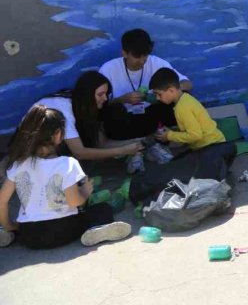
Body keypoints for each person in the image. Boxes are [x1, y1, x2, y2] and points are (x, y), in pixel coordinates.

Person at [0, 105, 132, 249]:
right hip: (63, 231)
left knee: (21, 227)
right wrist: (85, 191)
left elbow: (2, 201)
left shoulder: (19, 164)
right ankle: (93, 229)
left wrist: (11, 226)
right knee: (102, 209)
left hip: (29, 235)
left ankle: (9, 234)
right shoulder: (67, 163)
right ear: (57, 134)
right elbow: (74, 201)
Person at [31, 72, 144, 163]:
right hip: (36, 147)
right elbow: (80, 153)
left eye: (106, 94)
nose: (105, 98)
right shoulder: (64, 109)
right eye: (100, 94)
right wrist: (123, 150)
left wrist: (137, 142)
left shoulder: (84, 106)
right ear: (88, 94)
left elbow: (101, 144)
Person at [97, 29, 187, 143]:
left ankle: (150, 136)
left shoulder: (156, 63)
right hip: (125, 118)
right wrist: (122, 99)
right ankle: (149, 137)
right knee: (113, 113)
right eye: (136, 56)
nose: (141, 60)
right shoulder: (108, 69)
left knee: (182, 97)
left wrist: (161, 94)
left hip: (151, 113)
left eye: (145, 55)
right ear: (124, 53)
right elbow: (97, 104)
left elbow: (186, 84)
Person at [150, 68, 236, 181]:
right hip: (218, 145)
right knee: (177, 163)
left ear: (171, 90)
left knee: (176, 171)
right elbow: (194, 126)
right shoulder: (186, 98)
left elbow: (195, 135)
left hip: (212, 150)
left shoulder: (182, 108)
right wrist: (173, 131)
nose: (157, 98)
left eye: (159, 94)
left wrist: (169, 135)